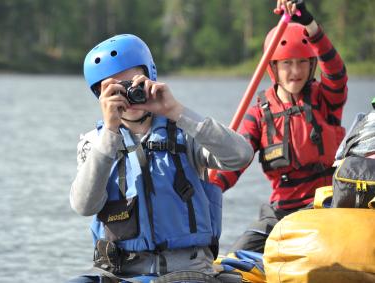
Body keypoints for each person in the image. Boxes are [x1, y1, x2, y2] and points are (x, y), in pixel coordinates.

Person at [68, 34, 254, 282]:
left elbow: (241, 156)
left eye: (133, 84)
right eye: (115, 89)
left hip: (187, 272)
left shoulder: (185, 129)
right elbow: (84, 205)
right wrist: (110, 135)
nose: (127, 95)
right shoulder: (94, 144)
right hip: (120, 274)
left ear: (150, 78)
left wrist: (176, 111)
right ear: (100, 96)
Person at [210, 0, 348, 253]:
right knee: (236, 259)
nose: (295, 71)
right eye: (286, 63)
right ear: (273, 67)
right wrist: (208, 187)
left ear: (311, 64)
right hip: (281, 210)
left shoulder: (325, 98)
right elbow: (235, 162)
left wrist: (309, 24)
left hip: (327, 204)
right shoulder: (259, 114)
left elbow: (337, 72)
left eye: (302, 62)